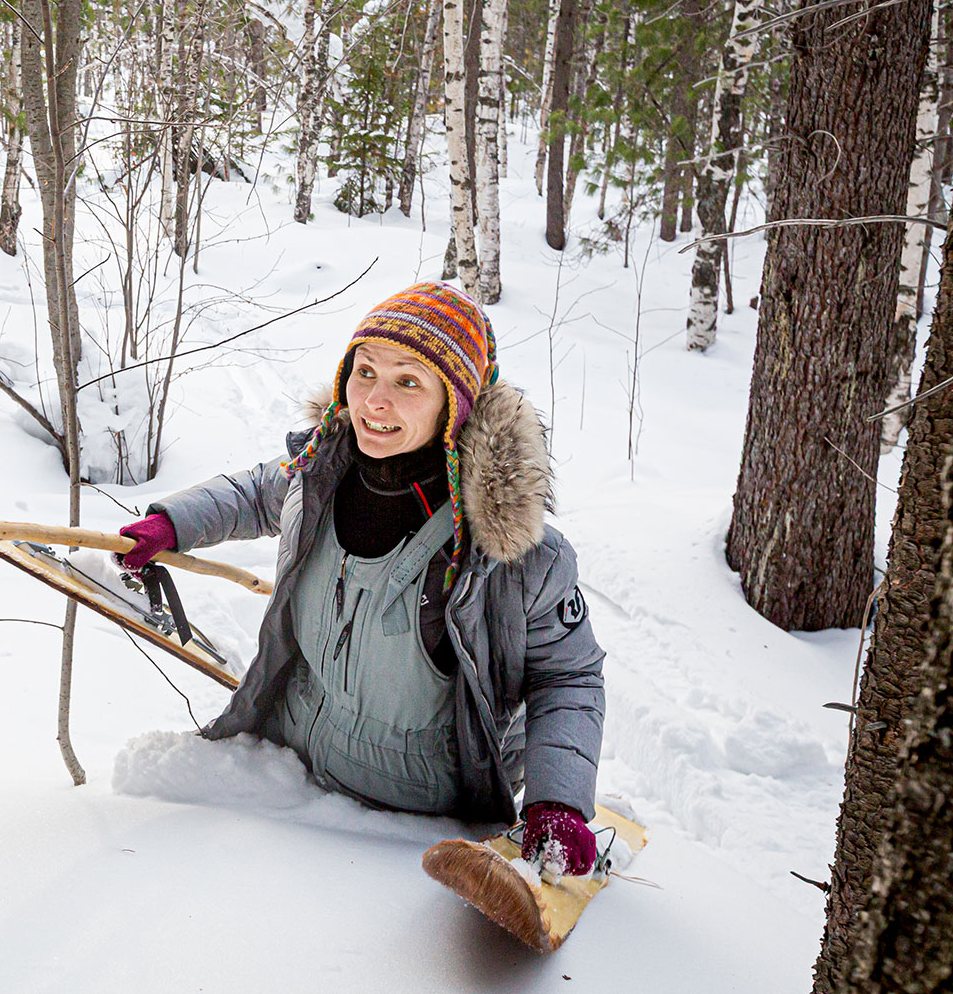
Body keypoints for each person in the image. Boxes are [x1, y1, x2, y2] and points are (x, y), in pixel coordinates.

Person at [117, 282, 606, 875]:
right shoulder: (319, 472)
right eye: (364, 371)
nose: (374, 401)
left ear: (456, 404)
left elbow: (568, 677)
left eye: (408, 382)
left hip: (415, 829)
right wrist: (171, 523)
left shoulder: (514, 553)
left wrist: (558, 802)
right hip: (286, 777)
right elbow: (251, 493)